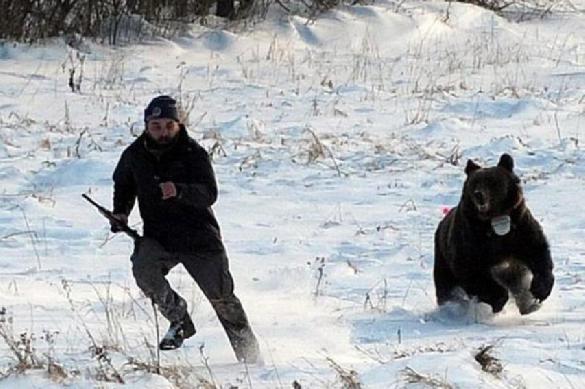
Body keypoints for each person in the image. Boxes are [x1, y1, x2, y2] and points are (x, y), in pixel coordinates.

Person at [110, 95, 260, 362]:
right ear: (146, 125)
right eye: (156, 126)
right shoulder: (134, 155)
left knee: (223, 299)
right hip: (160, 237)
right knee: (144, 269)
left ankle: (250, 359)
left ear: (178, 124)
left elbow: (209, 193)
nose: (163, 132)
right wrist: (120, 213)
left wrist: (179, 191)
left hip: (199, 239)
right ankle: (179, 320)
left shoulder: (193, 153)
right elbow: (124, 184)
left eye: (168, 125)